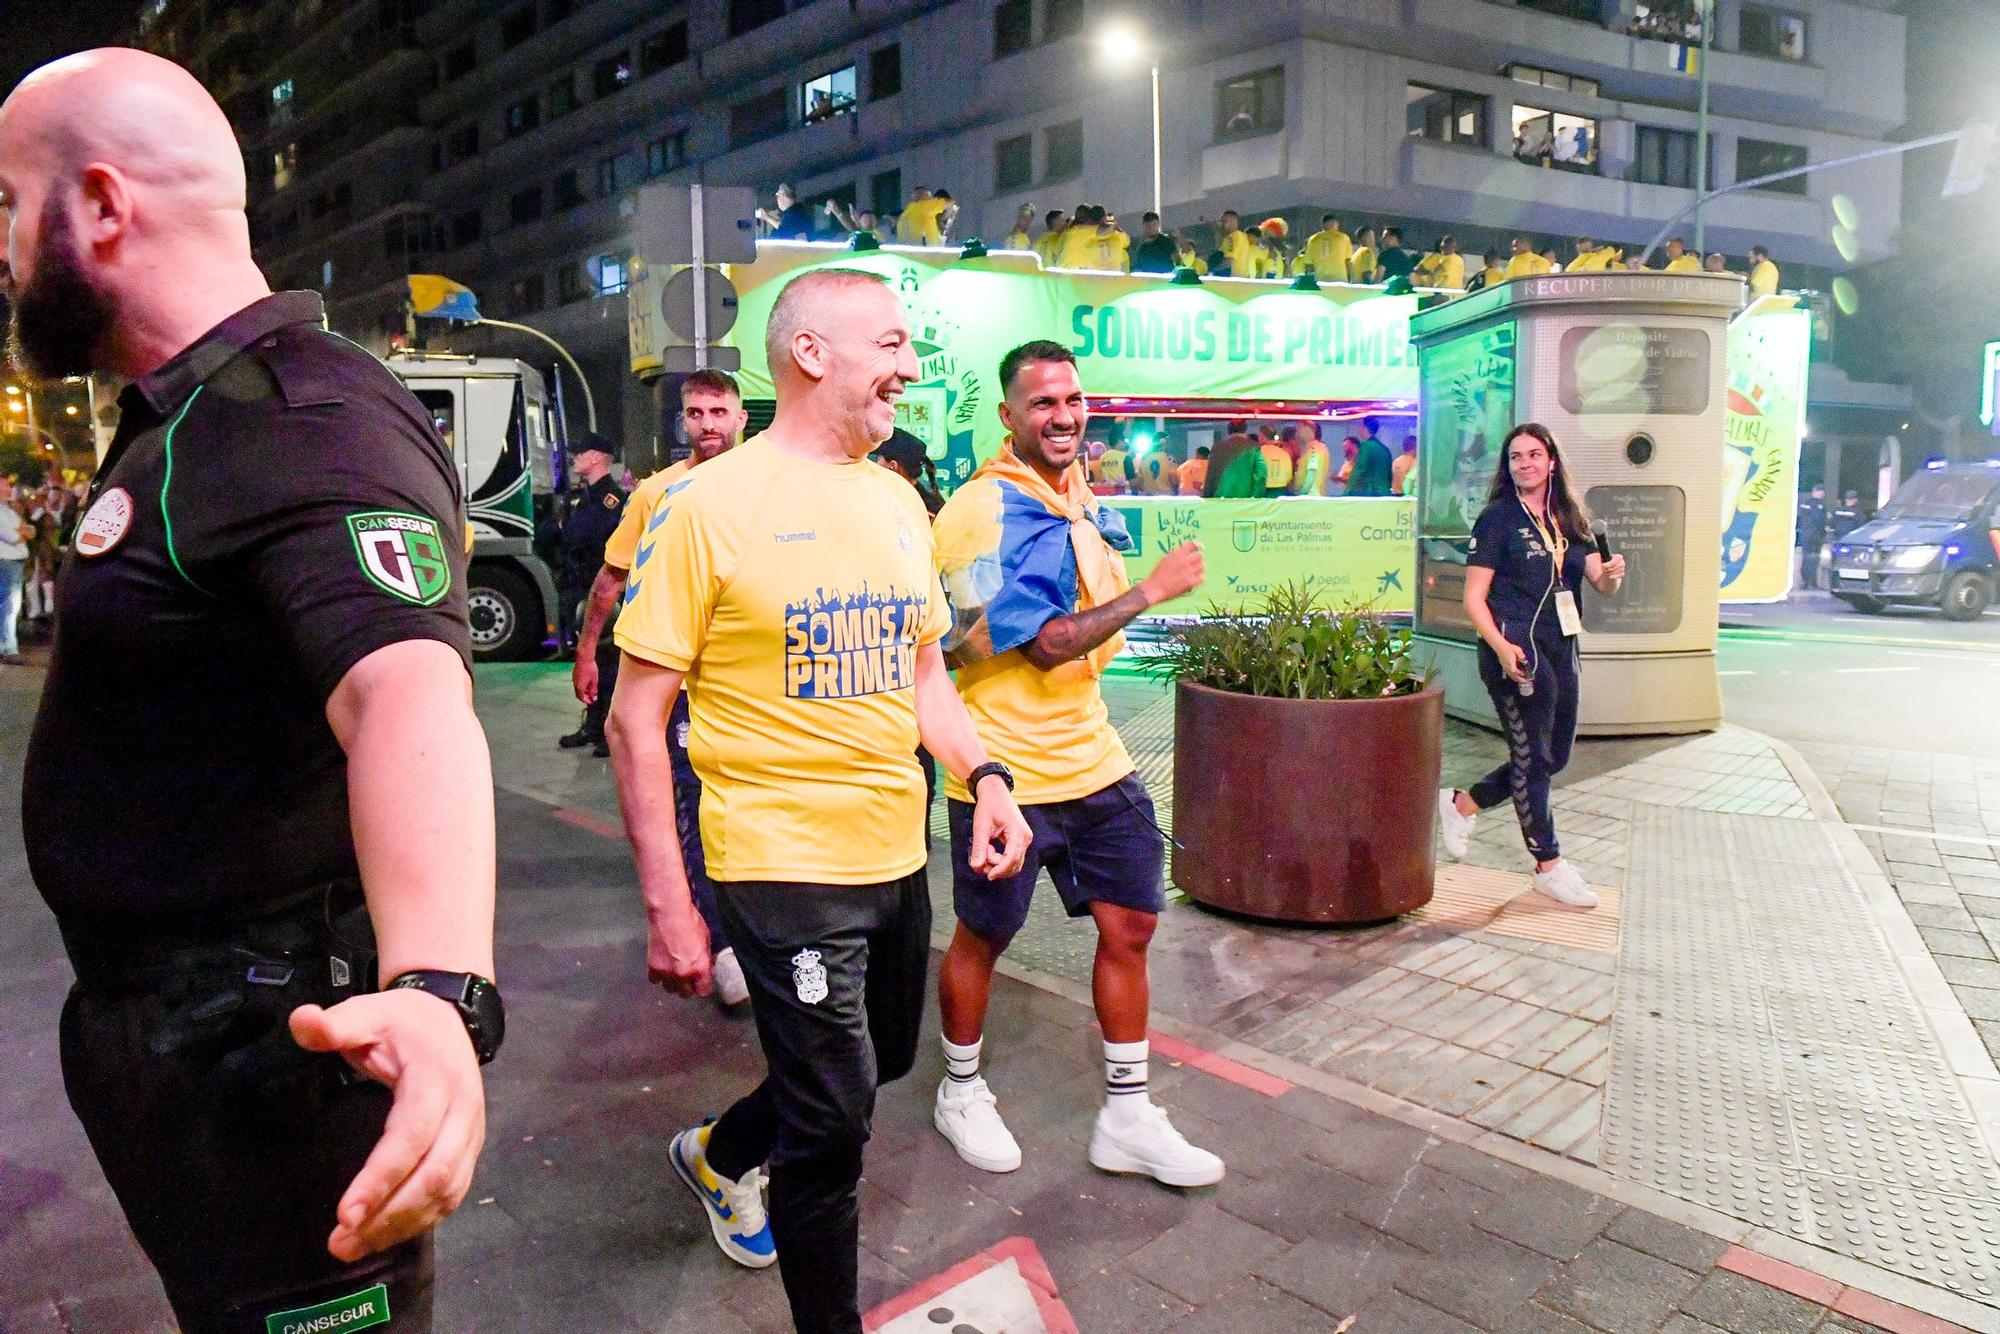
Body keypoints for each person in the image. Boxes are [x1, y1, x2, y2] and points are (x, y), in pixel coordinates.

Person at [6, 48, 498, 1330]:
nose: (2, 247)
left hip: (281, 1063)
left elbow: (404, 691)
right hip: (185, 1044)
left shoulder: (298, 415)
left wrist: (442, 992)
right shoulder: (193, 416)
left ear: (101, 205)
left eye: (9, 203)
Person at [606, 268, 1031, 1334]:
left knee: (881, 1058)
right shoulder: (705, 507)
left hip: (891, 853)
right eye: (888, 343)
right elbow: (632, 716)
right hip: (776, 863)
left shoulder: (895, 498)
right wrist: (671, 903)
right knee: (834, 1127)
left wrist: (984, 777)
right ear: (810, 355)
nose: (908, 365)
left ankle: (717, 1150)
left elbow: (924, 672)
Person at [930, 339, 1223, 1188]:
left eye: (1072, 400)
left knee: (1131, 923)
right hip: (1002, 774)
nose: (1062, 416)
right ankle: (959, 1089)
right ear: (1008, 416)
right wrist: (1152, 592)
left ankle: (1127, 1117)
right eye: (1042, 404)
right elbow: (1049, 643)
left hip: (1093, 758)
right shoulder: (986, 510)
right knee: (984, 936)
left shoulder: (1075, 496)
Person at [575, 369, 752, 1008]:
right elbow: (609, 581)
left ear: (741, 419)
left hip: (754, 689)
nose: (706, 424)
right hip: (676, 685)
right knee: (693, 808)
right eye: (695, 413)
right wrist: (588, 652)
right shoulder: (656, 495)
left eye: (717, 411)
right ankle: (723, 943)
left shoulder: (771, 487)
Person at [1437, 423, 1625, 907]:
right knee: (1533, 760)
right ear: (1509, 466)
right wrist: (1501, 648)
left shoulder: (1570, 520)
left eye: (1534, 454)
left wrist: (1611, 576)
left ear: (1551, 462)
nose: (1525, 463)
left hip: (1562, 649)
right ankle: (1549, 864)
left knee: (1554, 757)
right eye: (1516, 456)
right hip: (1515, 654)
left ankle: (1464, 802)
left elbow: (1600, 586)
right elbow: (1473, 599)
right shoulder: (1497, 520)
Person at [555, 433, 627, 754]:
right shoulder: (583, 498)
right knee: (589, 659)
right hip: (580, 586)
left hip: (603, 589)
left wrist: (564, 529)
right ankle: (592, 724)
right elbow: (555, 536)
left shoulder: (610, 497)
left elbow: (582, 534)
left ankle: (606, 729)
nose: (574, 459)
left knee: (607, 660)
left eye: (580, 452)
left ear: (598, 457)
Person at [873, 427, 945, 516]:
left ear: (893, 466)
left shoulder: (917, 512)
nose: (875, 465)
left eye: (878, 458)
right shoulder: (919, 500)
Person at [0, 476, 29, 662]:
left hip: (13, 563)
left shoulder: (8, 511)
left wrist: (24, 531)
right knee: (9, 607)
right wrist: (24, 532)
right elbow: (14, 537)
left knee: (10, 607)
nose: (9, 489)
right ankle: (9, 648)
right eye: (5, 486)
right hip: (7, 563)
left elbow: (28, 530)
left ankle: (7, 646)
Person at [1203, 420, 1266, 498]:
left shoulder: (1218, 447)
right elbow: (1261, 474)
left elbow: (1210, 475)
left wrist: (1206, 497)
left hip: (1220, 498)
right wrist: (1256, 496)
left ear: (1228, 429)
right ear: (1245, 429)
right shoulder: (1254, 447)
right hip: (1246, 499)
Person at [1345, 416, 1395, 497]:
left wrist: (1348, 492)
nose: (1358, 429)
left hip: (1370, 493)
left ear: (1365, 428)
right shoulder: (1385, 449)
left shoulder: (1366, 447)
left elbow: (1360, 470)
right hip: (1384, 493)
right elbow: (1389, 475)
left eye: (1360, 426)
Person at [1298, 214, 1352, 282]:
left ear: (1323, 225)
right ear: (1334, 223)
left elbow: (1308, 264)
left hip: (1320, 278)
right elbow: (1348, 260)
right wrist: (1349, 277)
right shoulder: (1344, 238)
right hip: (1339, 278)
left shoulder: (1313, 239)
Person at [1796, 481, 1827, 590]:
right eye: (1822, 492)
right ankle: (1811, 583)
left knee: (1806, 558)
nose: (1823, 494)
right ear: (1818, 492)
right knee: (1814, 559)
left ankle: (1805, 582)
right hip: (1815, 535)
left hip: (1806, 533)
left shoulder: (1805, 503)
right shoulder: (1819, 504)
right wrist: (1823, 531)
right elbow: (1818, 519)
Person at [1212, 209, 1255, 278]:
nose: (1221, 224)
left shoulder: (1233, 236)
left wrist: (1211, 271)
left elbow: (1229, 260)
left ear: (1233, 221)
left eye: (1224, 221)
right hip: (1242, 278)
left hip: (1234, 280)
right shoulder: (1242, 236)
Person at [1292, 421, 1331, 496]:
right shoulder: (1311, 448)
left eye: (1299, 430)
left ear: (1308, 431)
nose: (1297, 435)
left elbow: (1312, 473)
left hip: (1311, 497)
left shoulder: (1314, 449)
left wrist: (1302, 493)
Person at [1257, 422, 1293, 496]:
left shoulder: (1258, 452)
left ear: (1261, 436)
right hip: (1280, 492)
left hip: (1262, 491)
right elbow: (1288, 477)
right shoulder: (1284, 454)